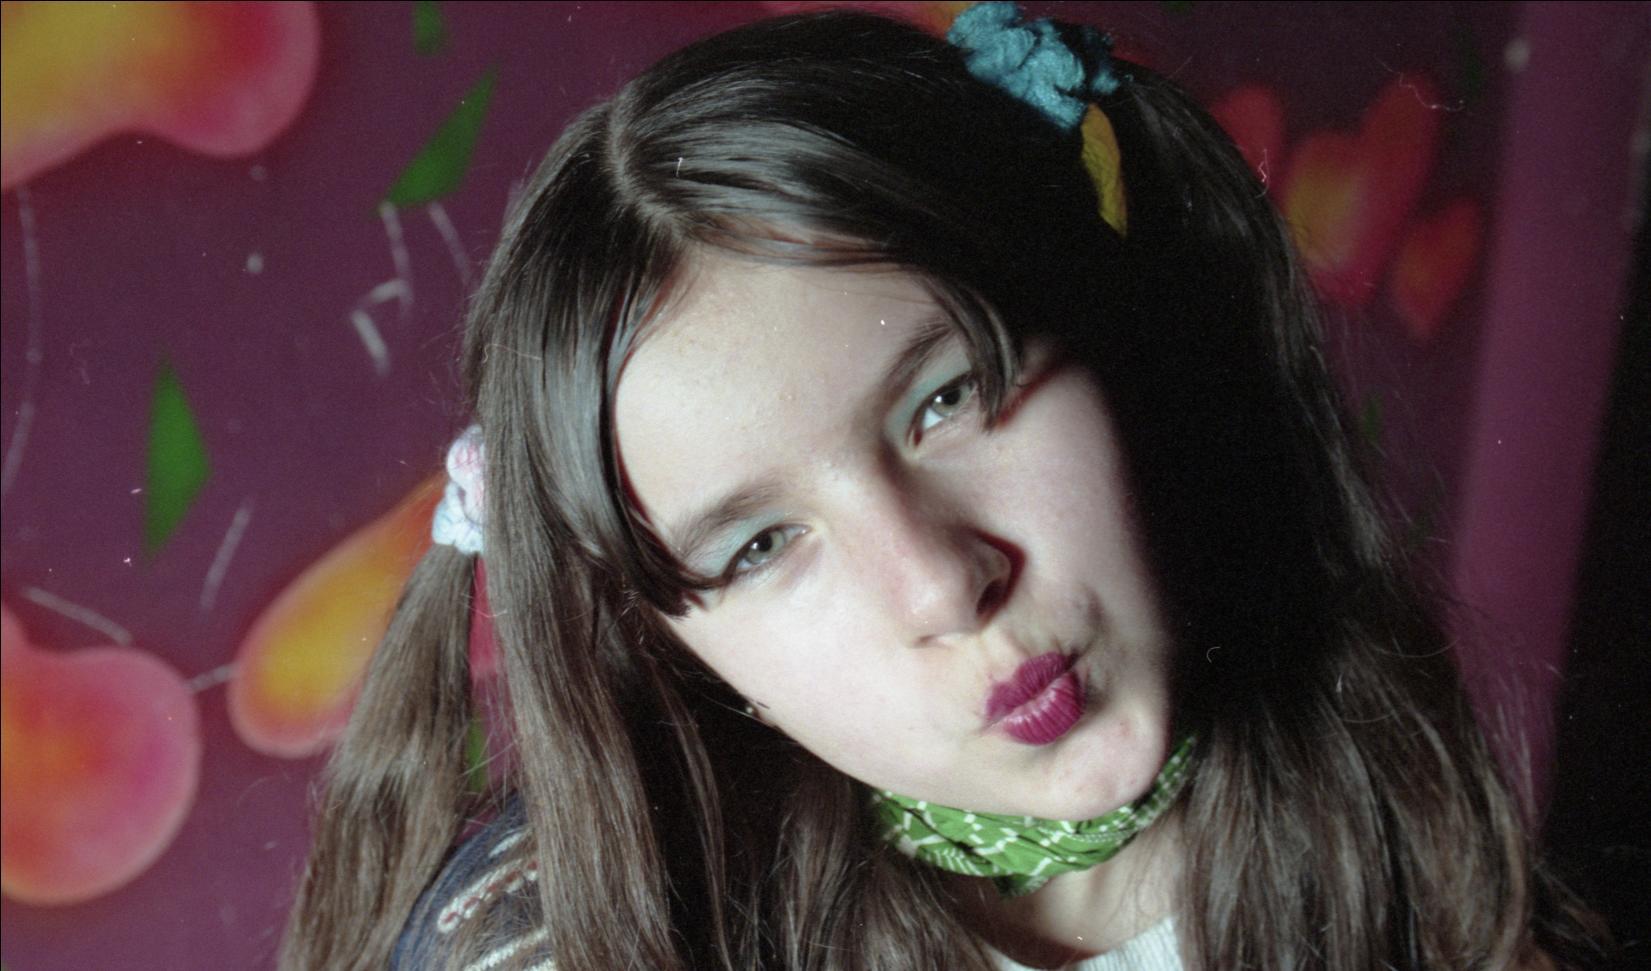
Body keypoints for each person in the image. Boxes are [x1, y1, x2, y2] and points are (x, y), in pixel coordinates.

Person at [281, 5, 1602, 969]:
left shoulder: (1390, 819)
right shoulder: (564, 948)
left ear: (1106, 331)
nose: (941, 586)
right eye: (758, 548)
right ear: (677, 651)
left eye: (948, 397)